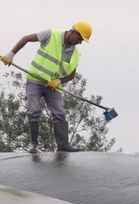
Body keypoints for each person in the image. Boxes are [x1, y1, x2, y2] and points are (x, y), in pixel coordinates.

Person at [1, 22, 92, 153]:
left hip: (52, 86)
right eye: (80, 38)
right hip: (35, 81)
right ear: (73, 32)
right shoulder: (51, 35)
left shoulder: (75, 54)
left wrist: (59, 81)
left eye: (82, 40)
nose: (80, 42)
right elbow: (26, 38)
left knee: (59, 113)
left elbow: (71, 76)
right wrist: (11, 54)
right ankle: (34, 146)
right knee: (34, 111)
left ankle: (63, 145)